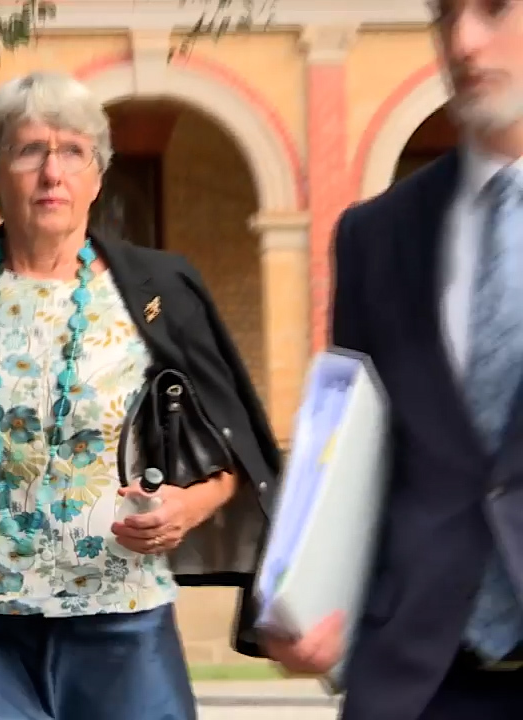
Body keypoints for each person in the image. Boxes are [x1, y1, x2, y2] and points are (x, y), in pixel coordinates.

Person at [0, 71, 282, 720]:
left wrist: (187, 508)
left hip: (124, 627)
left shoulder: (159, 288)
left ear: (98, 176)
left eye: (73, 152)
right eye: (28, 151)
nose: (52, 173)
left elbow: (231, 444)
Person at [262, 2, 523, 718]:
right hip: (418, 684)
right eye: (446, 13)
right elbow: (352, 450)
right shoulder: (375, 235)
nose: (464, 40)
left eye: (494, 7)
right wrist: (304, 596)